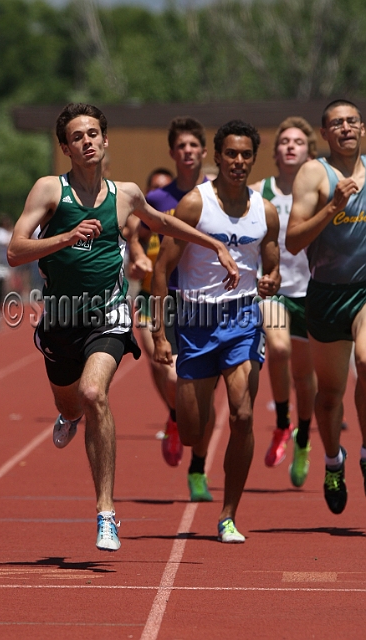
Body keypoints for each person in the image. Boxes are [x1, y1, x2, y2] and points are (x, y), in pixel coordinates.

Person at [7, 102, 239, 552]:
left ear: (105, 140)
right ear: (65, 147)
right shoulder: (50, 191)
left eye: (94, 133)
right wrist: (66, 238)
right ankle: (68, 414)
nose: (87, 141)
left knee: (95, 393)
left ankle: (106, 513)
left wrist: (214, 244)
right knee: (72, 400)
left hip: (109, 313)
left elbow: (162, 221)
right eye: (77, 136)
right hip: (60, 316)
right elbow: (16, 251)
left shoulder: (126, 193)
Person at [152, 119, 280, 542]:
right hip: (195, 322)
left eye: (246, 155)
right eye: (231, 154)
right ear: (218, 157)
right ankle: (179, 422)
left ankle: (228, 515)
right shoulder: (194, 204)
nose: (239, 162)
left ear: (252, 158)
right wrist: (158, 332)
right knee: (193, 431)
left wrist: (272, 279)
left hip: (243, 319)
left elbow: (271, 258)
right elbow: (162, 267)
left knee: (243, 415)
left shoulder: (266, 210)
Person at [129, 118, 218, 503]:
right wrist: (136, 256)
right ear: (172, 152)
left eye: (193, 145)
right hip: (162, 298)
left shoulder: (216, 195)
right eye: (180, 145)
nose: (186, 151)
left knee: (205, 395)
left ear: (202, 151)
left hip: (206, 302)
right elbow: (134, 231)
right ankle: (176, 416)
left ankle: (198, 468)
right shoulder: (159, 197)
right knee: (167, 373)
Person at [286, 99, 366, 514]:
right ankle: (334, 460)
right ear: (325, 134)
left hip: (364, 291)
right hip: (326, 294)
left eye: (353, 121)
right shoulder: (314, 174)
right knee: (330, 394)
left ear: (363, 129)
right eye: (337, 123)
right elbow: (294, 241)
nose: (346, 128)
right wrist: (333, 206)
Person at [250, 117, 318, 487]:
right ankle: (281, 424)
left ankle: (304, 439)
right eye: (284, 141)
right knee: (277, 349)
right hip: (273, 289)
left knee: (305, 377)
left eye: (298, 142)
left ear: (310, 150)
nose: (290, 146)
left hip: (312, 290)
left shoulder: (322, 189)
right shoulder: (261, 191)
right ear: (275, 151)